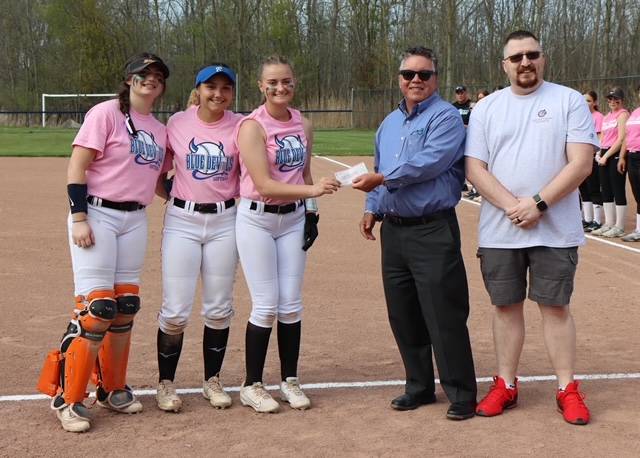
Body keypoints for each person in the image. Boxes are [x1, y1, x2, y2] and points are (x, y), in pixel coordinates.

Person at [465, 30, 597, 425]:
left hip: (555, 229)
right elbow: (475, 167)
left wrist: (538, 204)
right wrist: (513, 207)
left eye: (532, 55)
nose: (525, 62)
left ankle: (566, 387)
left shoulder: (568, 100)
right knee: (504, 306)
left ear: (543, 58)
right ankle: (505, 383)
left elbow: (581, 164)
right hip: (500, 229)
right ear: (504, 64)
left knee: (555, 307)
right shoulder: (487, 108)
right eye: (517, 57)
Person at [37, 53, 171, 432]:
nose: (150, 80)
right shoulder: (106, 113)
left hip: (134, 218)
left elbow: (158, 182)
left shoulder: (158, 130)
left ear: (162, 86)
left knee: (125, 306)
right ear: (129, 78)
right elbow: (77, 166)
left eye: (157, 76)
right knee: (97, 309)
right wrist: (79, 217)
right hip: (97, 214)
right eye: (143, 74)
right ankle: (68, 397)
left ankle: (112, 389)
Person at [352, 46, 477, 421]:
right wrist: (372, 207)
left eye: (424, 74)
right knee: (403, 313)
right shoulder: (388, 124)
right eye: (409, 74)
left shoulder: (446, 118)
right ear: (400, 79)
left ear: (436, 79)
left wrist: (384, 179)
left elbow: (429, 163)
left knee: (443, 312)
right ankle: (419, 386)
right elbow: (379, 166)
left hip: (432, 229)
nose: (416, 80)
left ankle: (461, 393)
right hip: (396, 231)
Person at [235, 55, 340, 413]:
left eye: (287, 82)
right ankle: (252, 384)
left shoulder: (303, 125)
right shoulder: (252, 126)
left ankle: (290, 380)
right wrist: (312, 194)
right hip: (257, 220)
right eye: (273, 83)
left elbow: (304, 174)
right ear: (261, 86)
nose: (281, 88)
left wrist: (312, 215)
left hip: (293, 218)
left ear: (294, 83)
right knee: (265, 304)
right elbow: (264, 184)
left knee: (291, 304)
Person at [154, 64, 243, 412]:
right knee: (175, 310)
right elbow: (158, 172)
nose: (218, 94)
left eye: (225, 88)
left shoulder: (240, 125)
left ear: (233, 93)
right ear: (199, 89)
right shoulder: (177, 122)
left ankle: (212, 381)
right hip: (182, 221)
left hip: (225, 221)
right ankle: (166, 384)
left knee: (219, 308)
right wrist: (179, 199)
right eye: (211, 87)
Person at [590, 87, 629, 237]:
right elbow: (602, 138)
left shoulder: (623, 114)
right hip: (605, 152)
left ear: (621, 100)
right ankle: (609, 223)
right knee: (605, 189)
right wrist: (599, 153)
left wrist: (607, 156)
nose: (613, 101)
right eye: (610, 99)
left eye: (616, 99)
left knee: (617, 189)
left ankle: (619, 226)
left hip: (616, 154)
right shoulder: (607, 117)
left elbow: (621, 139)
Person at [580, 91, 605, 232]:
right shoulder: (581, 117)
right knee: (584, 189)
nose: (585, 103)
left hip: (592, 157)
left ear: (594, 102)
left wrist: (595, 153)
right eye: (583, 100)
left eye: (588, 101)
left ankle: (597, 220)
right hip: (581, 158)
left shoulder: (598, 117)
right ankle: (587, 219)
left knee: (593, 188)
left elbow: (600, 136)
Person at [619, 85, 640, 241]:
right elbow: (627, 136)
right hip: (632, 156)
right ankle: (639, 229)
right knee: (637, 193)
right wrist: (622, 157)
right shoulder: (635, 113)